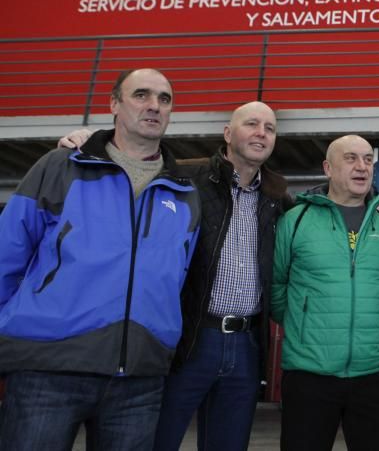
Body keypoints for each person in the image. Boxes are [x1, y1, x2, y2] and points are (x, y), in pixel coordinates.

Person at [57, 102, 292, 451]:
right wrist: (89, 140)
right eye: (252, 124)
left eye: (270, 128)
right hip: (189, 339)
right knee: (157, 441)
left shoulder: (278, 200)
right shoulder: (183, 177)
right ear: (228, 134)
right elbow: (132, 166)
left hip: (246, 344)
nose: (261, 133)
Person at [0, 69, 200, 450]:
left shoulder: (185, 192)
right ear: (113, 104)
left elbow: (181, 276)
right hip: (48, 369)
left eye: (165, 99)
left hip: (140, 381)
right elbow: (7, 253)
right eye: (141, 95)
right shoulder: (60, 167)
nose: (154, 106)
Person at [272, 134, 379, 451]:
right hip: (308, 376)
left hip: (372, 376)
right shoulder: (295, 221)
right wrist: (303, 327)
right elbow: (277, 287)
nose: (362, 167)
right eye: (350, 158)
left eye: (368, 160)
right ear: (328, 168)